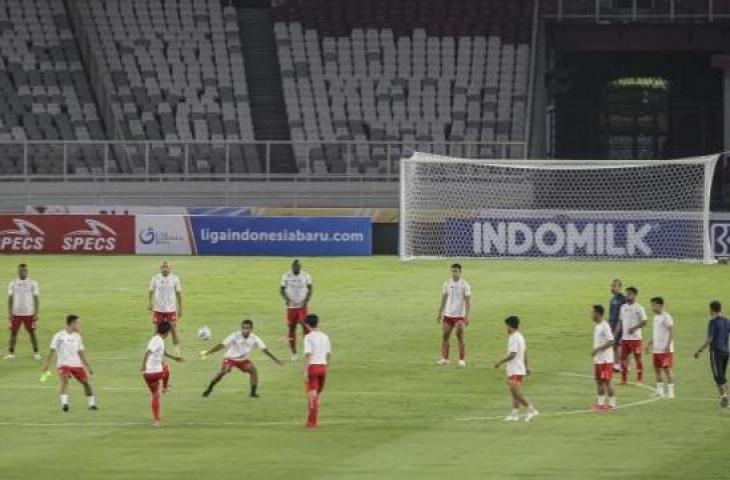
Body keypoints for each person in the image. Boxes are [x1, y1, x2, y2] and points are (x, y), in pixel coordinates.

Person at [201, 319, 284, 398]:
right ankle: (209, 388)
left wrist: (276, 360)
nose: (245, 330)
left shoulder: (254, 338)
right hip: (230, 358)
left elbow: (265, 350)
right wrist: (208, 352)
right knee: (224, 371)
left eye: (247, 328)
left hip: (243, 360)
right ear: (241, 328)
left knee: (253, 371)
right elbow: (222, 345)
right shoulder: (234, 335)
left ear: (251, 329)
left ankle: (253, 393)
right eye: (243, 328)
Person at [41, 315, 97, 412]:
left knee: (86, 383)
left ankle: (91, 404)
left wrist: (88, 366)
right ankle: (65, 404)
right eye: (78, 323)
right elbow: (52, 350)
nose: (79, 325)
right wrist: (47, 364)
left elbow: (81, 353)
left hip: (76, 364)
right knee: (65, 380)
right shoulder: (59, 336)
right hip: (63, 364)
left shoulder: (77, 337)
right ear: (72, 323)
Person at [494, 316, 538, 422]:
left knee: (517, 392)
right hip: (517, 369)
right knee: (514, 392)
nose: (506, 328)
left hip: (516, 369)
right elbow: (525, 352)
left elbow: (513, 354)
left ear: (509, 326)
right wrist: (526, 366)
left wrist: (500, 361)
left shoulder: (514, 337)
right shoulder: (520, 336)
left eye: (506, 326)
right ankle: (515, 414)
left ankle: (531, 410)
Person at [141, 321, 184, 427]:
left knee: (155, 395)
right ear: (167, 332)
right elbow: (148, 352)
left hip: (147, 375)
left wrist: (174, 358)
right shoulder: (158, 341)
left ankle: (156, 420)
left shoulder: (155, 339)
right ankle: (165, 387)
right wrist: (143, 365)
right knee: (166, 368)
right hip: (157, 373)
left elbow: (162, 352)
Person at [693, 301, 730, 408]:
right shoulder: (726, 321)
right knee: (722, 376)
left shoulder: (713, 322)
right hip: (726, 352)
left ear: (712, 309)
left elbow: (710, 339)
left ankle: (725, 398)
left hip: (716, 352)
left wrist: (699, 350)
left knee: (718, 377)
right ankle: (724, 397)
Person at [436, 263, 471, 367]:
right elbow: (444, 298)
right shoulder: (447, 283)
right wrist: (440, 312)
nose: (454, 273)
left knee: (460, 336)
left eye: (456, 271)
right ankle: (445, 359)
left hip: (460, 315)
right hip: (448, 315)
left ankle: (461, 359)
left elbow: (468, 302)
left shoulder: (465, 285)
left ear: (460, 272)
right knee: (445, 336)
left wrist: (467, 315)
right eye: (452, 271)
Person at [5, 263, 41, 360]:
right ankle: (11, 353)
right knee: (13, 333)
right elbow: (10, 299)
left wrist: (36, 312)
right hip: (16, 313)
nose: (23, 272)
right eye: (21, 270)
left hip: (29, 313)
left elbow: (36, 298)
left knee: (32, 333)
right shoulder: (13, 283)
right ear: (18, 271)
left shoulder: (33, 283)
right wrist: (10, 312)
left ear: (27, 271)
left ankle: (36, 352)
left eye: (25, 270)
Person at [280, 259, 313, 361]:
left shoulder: (305, 276)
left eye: (298, 266)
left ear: (300, 267)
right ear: (292, 267)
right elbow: (281, 289)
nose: (297, 268)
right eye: (295, 267)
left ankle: (308, 351)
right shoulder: (286, 276)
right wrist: (286, 299)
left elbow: (310, 288)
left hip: (302, 306)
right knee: (291, 329)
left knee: (306, 328)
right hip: (291, 307)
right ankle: (293, 352)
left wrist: (307, 300)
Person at [148, 260, 182, 356]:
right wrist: (149, 302)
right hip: (158, 309)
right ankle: (153, 351)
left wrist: (180, 308)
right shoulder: (155, 278)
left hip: (170, 309)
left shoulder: (175, 278)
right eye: (163, 267)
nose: (165, 268)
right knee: (156, 332)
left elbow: (178, 293)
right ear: (160, 268)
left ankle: (177, 352)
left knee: (173, 330)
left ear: (170, 268)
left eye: (166, 267)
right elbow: (151, 290)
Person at [303, 314, 331, 428]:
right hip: (323, 367)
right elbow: (328, 353)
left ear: (307, 324)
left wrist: (305, 370)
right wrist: (326, 366)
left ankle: (312, 422)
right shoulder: (325, 336)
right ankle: (313, 420)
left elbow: (308, 354)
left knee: (312, 395)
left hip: (313, 367)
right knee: (318, 395)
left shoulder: (308, 337)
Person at [615, 286, 647, 385]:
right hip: (625, 338)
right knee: (623, 358)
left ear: (634, 295)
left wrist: (634, 328)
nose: (627, 296)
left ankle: (639, 379)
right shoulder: (623, 307)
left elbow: (644, 321)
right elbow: (620, 322)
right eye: (626, 294)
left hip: (636, 339)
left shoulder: (639, 308)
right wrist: (615, 335)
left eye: (629, 294)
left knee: (638, 358)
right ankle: (624, 379)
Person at [645, 297, 675, 399]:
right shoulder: (656, 317)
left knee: (667, 370)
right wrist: (649, 344)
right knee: (657, 370)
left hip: (664, 349)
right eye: (652, 305)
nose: (652, 307)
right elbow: (656, 333)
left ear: (660, 305)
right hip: (656, 349)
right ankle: (660, 391)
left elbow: (671, 331)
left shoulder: (666, 317)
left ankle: (671, 392)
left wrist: (668, 345)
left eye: (654, 305)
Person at [591, 305, 617, 411]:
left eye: (592, 313)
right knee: (599, 381)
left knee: (607, 381)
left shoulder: (604, 325)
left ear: (598, 313)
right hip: (599, 360)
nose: (591, 315)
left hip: (606, 359)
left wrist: (598, 349)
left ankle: (612, 405)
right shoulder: (597, 326)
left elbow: (611, 341)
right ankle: (600, 404)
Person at [608, 279, 625, 372]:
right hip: (613, 324)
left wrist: (619, 326)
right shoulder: (612, 300)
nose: (612, 288)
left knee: (619, 344)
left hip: (621, 324)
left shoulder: (623, 299)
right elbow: (610, 315)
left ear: (620, 287)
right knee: (614, 344)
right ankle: (617, 364)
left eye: (614, 286)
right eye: (611, 286)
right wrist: (609, 327)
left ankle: (621, 364)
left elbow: (623, 315)